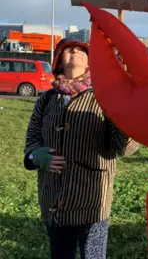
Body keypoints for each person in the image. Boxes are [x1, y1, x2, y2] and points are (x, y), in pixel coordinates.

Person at [23, 38, 139, 259]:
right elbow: (31, 140)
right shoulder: (47, 100)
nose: (74, 51)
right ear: (59, 62)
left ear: (89, 64)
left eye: (80, 50)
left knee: (93, 256)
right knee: (60, 254)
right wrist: (34, 156)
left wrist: (127, 118)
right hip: (53, 200)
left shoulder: (104, 97)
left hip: (92, 201)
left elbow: (124, 148)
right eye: (68, 50)